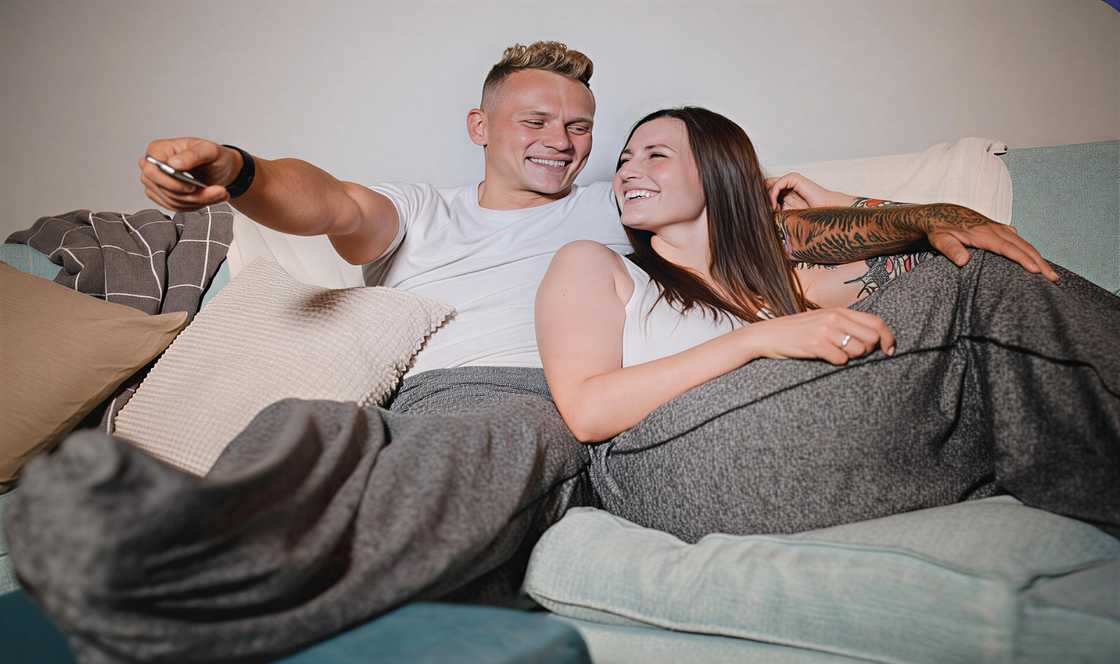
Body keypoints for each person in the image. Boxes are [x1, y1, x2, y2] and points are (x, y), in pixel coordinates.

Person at [4, 43, 1069, 663]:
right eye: (535, 119)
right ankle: (176, 529)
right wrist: (235, 167)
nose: (561, 139)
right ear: (480, 125)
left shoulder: (632, 202)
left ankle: (182, 602)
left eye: (578, 124)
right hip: (418, 393)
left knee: (487, 436)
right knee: (308, 424)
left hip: (543, 397)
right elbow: (321, 198)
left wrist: (921, 212)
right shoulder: (422, 211)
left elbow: (778, 212)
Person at [536, 106, 1120, 542]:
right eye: (623, 161)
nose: (626, 173)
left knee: (979, 281)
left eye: (654, 155)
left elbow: (942, 268)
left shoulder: (788, 282)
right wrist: (758, 338)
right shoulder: (595, 264)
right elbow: (588, 411)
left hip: (799, 457)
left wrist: (835, 200)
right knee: (979, 283)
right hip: (675, 470)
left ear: (719, 172)